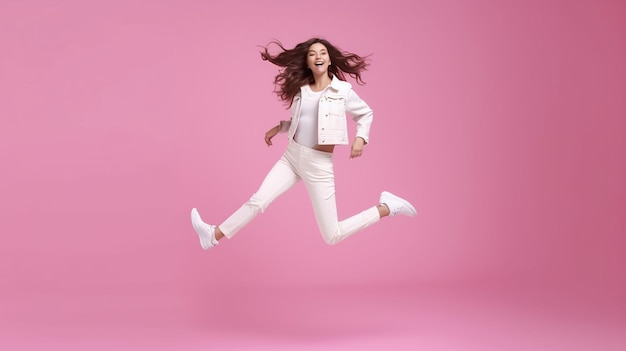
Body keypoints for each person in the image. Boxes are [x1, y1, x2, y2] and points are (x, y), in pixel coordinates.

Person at [191, 38, 416, 250]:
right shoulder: (302, 91)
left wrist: (361, 138)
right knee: (258, 200)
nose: (318, 56)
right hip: (291, 157)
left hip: (318, 165)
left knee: (332, 235)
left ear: (329, 60)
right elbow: (304, 123)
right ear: (308, 61)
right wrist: (280, 127)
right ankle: (213, 235)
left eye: (323, 52)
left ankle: (386, 208)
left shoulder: (343, 91)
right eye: (312, 53)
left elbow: (365, 114)